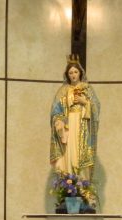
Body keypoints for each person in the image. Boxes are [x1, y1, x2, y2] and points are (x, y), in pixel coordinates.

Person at [50, 54, 100, 182]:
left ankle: (82, 184)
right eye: (70, 72)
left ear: (80, 73)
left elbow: (96, 108)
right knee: (69, 155)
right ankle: (69, 182)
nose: (73, 75)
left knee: (79, 155)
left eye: (75, 72)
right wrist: (59, 122)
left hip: (83, 125)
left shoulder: (87, 89)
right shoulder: (63, 91)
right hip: (69, 126)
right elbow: (56, 111)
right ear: (67, 75)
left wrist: (85, 102)